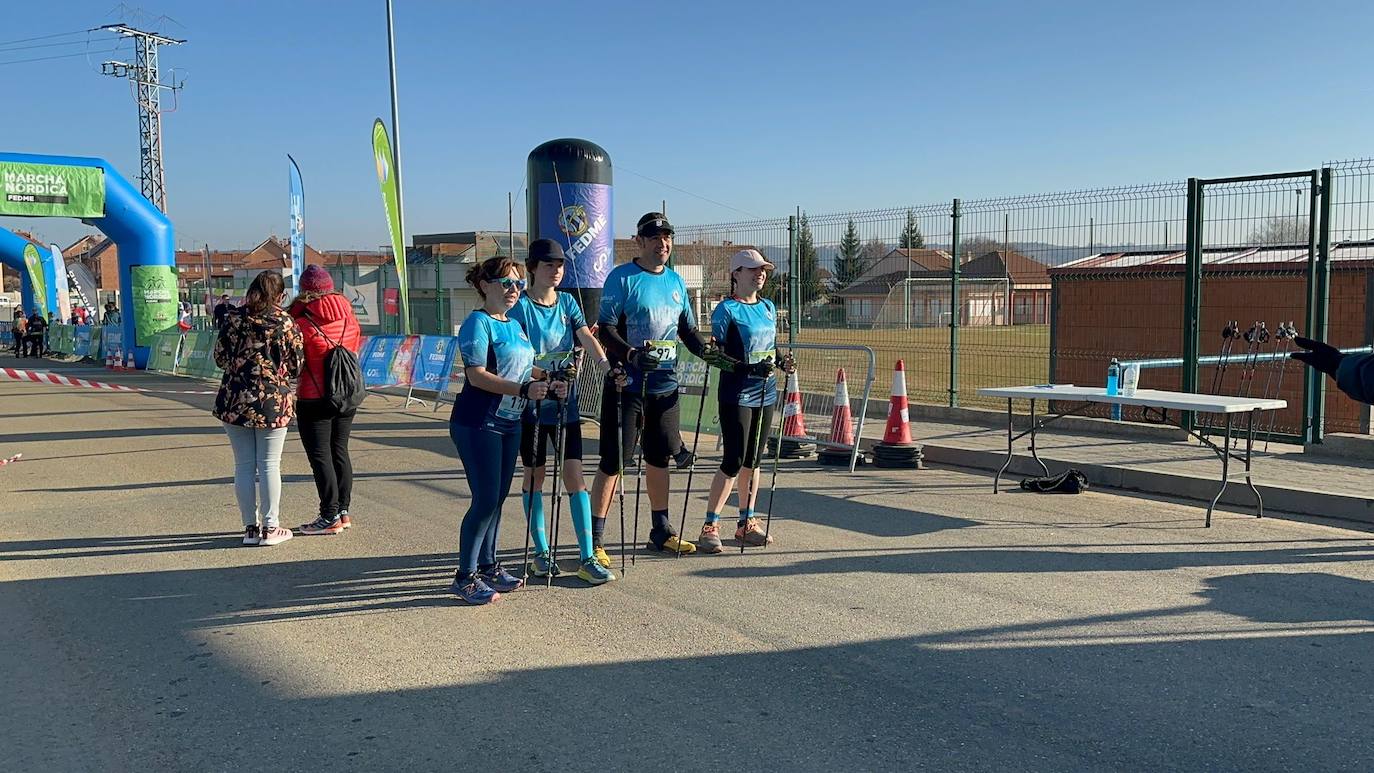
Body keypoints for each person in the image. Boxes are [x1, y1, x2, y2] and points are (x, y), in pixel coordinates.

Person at [590, 211, 710, 558]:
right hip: (626, 385)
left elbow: (687, 331)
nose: (663, 243)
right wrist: (630, 355)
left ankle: (661, 529)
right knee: (615, 461)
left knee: (659, 458)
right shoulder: (622, 278)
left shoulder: (674, 282)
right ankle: (594, 539)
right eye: (655, 238)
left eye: (668, 237)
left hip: (664, 386)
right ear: (639, 242)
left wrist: (711, 356)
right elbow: (607, 328)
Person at [449, 255, 561, 604]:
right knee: (484, 500)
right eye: (506, 283)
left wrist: (549, 378)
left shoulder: (513, 324)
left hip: (510, 421)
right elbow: (476, 375)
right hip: (478, 421)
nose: (514, 290)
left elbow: (523, 367)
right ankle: (464, 576)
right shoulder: (477, 323)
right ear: (485, 286)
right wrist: (524, 389)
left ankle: (488, 566)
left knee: (497, 499)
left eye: (518, 283)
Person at [509, 239, 621, 585]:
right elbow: (515, 357)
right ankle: (541, 553)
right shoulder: (520, 309)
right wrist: (543, 375)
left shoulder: (568, 302)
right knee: (535, 478)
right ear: (532, 267)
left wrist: (605, 367)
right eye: (548, 264)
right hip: (531, 407)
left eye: (560, 265)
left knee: (575, 477)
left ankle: (587, 555)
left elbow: (586, 337)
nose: (556, 270)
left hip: (565, 405)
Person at [694, 249, 796, 552]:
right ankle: (710, 524)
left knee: (754, 459)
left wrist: (782, 362)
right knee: (734, 459)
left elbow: (770, 346)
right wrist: (747, 368)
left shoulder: (767, 306)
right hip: (737, 393)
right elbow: (716, 356)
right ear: (736, 273)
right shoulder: (726, 310)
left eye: (763, 269)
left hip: (766, 392)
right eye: (753, 269)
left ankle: (747, 522)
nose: (760, 274)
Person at [213, 270, 303, 548]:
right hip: (272, 401)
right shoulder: (287, 323)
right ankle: (271, 527)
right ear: (281, 295)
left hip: (234, 398)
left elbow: (219, 358)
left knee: (243, 465)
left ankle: (249, 529)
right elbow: (298, 364)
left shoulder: (233, 319)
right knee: (269, 465)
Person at [289, 265, 363, 536]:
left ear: (304, 291)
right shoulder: (350, 318)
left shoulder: (301, 323)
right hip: (347, 394)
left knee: (320, 457)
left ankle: (328, 515)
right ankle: (343, 511)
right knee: (340, 451)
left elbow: (294, 362)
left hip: (313, 396)